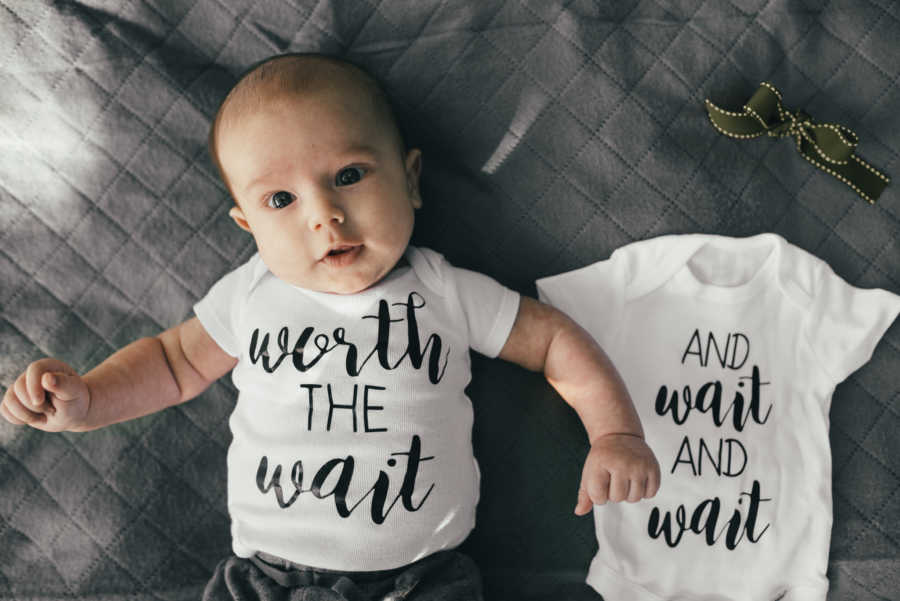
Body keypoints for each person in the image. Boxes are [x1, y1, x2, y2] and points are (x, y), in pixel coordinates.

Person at [1, 53, 660, 601]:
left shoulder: (445, 291)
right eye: (281, 200)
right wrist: (89, 398)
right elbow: (174, 363)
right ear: (249, 227)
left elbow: (552, 340)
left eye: (349, 176)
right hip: (266, 579)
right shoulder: (251, 294)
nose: (325, 215)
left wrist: (616, 431)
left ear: (411, 181)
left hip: (422, 580)